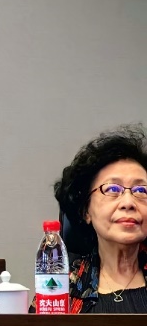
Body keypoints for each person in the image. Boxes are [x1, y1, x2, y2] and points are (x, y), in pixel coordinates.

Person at [52, 123, 147, 313]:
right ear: (85, 211)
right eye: (112, 189)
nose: (128, 202)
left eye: (141, 190)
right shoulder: (62, 285)